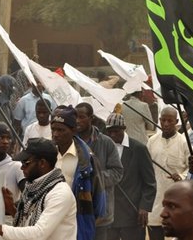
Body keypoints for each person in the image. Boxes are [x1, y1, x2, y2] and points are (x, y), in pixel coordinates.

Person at [0, 137, 77, 240]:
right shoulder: (33, 188)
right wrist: (12, 209)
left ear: (42, 163)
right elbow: (27, 224)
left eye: (26, 163)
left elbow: (39, 233)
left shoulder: (60, 193)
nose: (22, 167)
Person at [51, 105, 106, 240]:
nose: (55, 134)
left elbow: (99, 201)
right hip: (50, 222)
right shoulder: (46, 155)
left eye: (61, 130)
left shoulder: (87, 160)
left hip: (78, 225)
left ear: (73, 130)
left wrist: (86, 221)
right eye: (53, 129)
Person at [104, 107, 157, 240]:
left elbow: (150, 183)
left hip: (133, 215)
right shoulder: (104, 148)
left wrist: (145, 207)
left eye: (116, 132)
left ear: (124, 128)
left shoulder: (139, 149)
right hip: (108, 215)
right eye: (109, 132)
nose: (112, 135)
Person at [75, 102, 123, 240]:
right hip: (76, 211)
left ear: (91, 119)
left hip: (99, 213)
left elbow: (117, 172)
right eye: (75, 117)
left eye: (82, 117)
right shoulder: (70, 142)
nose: (78, 121)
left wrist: (94, 179)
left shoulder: (106, 142)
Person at [147, 106, 191, 240]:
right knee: (154, 230)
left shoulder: (184, 142)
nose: (166, 124)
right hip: (155, 198)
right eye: (163, 120)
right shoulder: (152, 141)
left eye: (170, 121)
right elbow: (146, 167)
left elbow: (192, 168)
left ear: (176, 121)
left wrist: (182, 176)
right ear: (159, 120)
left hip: (176, 200)